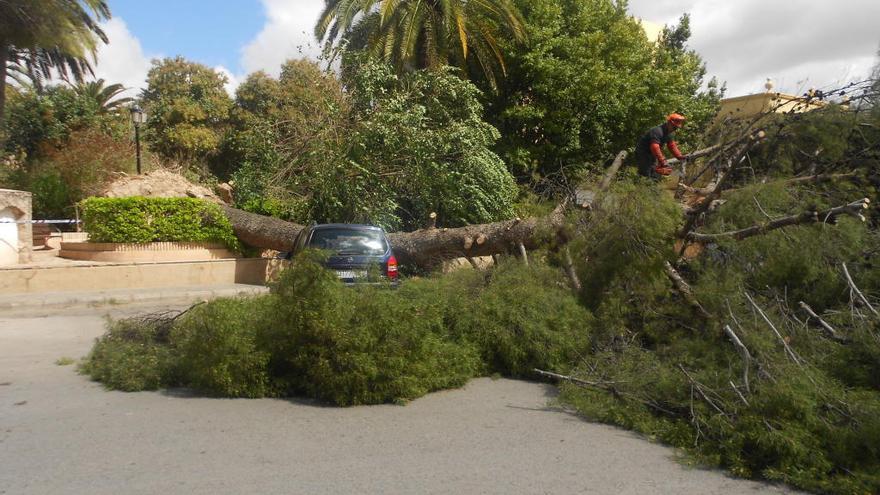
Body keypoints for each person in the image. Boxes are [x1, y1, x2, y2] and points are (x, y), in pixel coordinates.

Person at [635, 114, 688, 179]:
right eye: (674, 127)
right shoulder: (657, 131)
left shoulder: (669, 133)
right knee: (645, 173)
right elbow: (654, 147)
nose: (675, 129)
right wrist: (662, 160)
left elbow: (672, 146)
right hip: (643, 152)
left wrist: (680, 156)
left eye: (676, 128)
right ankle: (638, 186)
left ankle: (651, 186)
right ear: (669, 123)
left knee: (655, 174)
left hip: (652, 153)